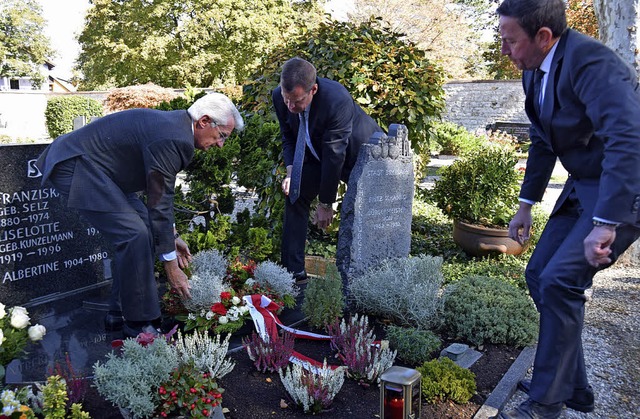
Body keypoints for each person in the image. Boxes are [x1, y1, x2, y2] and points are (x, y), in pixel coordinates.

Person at [495, 0, 640, 418]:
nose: (505, 49)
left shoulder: (592, 63)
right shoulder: (533, 71)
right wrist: (526, 206)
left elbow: (628, 138)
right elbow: (543, 139)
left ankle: (546, 402)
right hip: (584, 184)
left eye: (511, 40)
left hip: (622, 185)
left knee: (561, 281)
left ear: (543, 36)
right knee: (540, 274)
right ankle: (573, 386)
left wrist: (607, 222)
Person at [36, 93, 244, 338]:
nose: (220, 144)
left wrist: (172, 237)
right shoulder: (176, 137)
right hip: (76, 165)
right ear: (204, 121)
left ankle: (118, 313)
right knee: (133, 234)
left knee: (141, 229)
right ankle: (139, 324)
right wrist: (171, 267)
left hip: (101, 172)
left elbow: (158, 194)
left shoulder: (176, 129)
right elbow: (160, 202)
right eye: (222, 136)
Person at [272, 57, 382, 283]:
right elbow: (288, 138)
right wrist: (292, 173)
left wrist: (325, 203)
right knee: (296, 192)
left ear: (313, 89)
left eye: (298, 101)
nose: (291, 108)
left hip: (360, 158)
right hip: (318, 155)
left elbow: (335, 154)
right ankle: (293, 274)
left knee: (363, 212)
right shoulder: (279, 97)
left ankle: (363, 277)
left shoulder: (336, 99)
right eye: (287, 100)